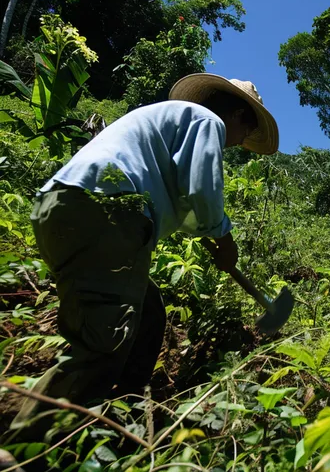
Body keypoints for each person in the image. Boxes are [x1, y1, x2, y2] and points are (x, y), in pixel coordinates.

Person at [10, 74, 279, 437]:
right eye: (246, 133)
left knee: (148, 312)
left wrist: (206, 230)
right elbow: (201, 189)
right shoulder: (207, 121)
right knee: (105, 342)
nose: (240, 143)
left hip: (59, 207)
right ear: (236, 115)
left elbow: (182, 203)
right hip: (105, 213)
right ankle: (28, 444)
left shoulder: (170, 123)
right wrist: (223, 237)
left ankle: (126, 410)